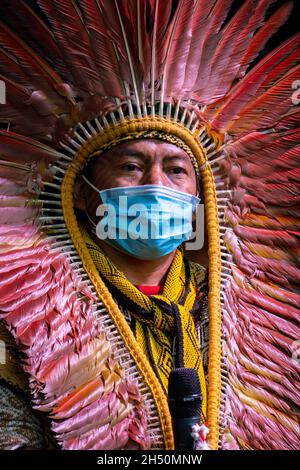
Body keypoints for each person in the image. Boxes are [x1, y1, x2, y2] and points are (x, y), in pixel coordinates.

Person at [0, 0, 299, 451]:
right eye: (132, 166)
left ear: (200, 196)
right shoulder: (29, 318)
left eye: (176, 170)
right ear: (83, 192)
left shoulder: (244, 316)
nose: (156, 185)